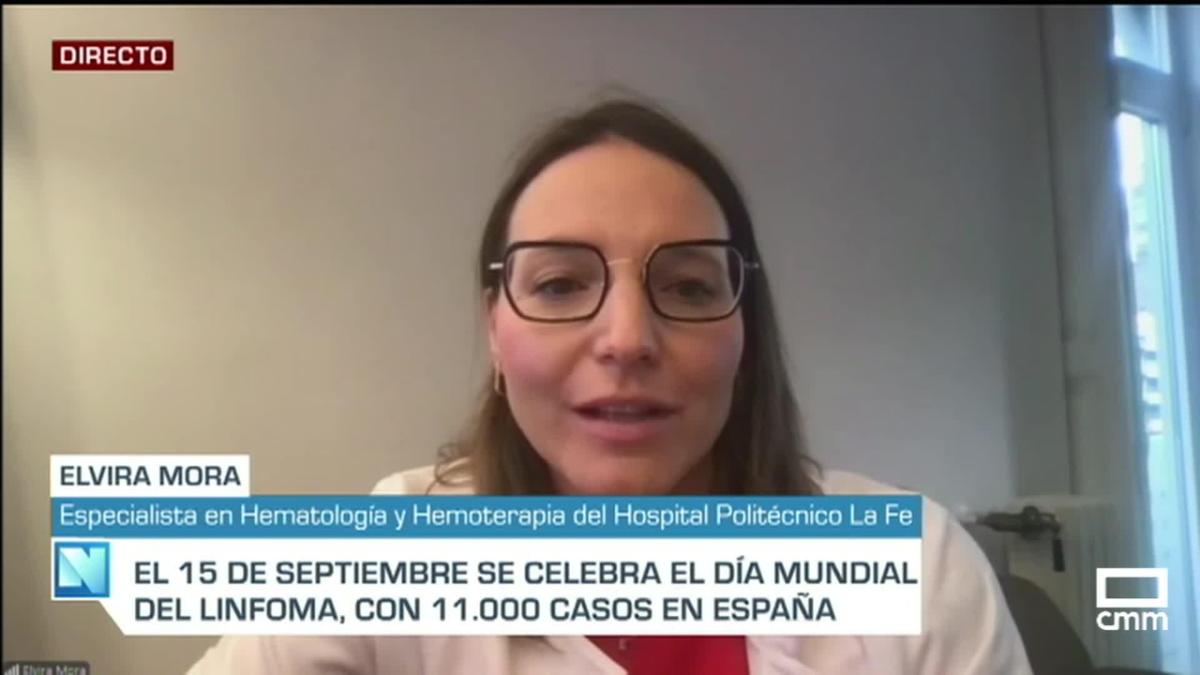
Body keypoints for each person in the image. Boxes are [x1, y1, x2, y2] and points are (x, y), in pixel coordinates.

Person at [189, 98, 1032, 674]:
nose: (628, 339)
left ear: (746, 332)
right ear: (495, 330)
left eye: (689, 287)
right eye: (560, 284)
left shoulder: (917, 564)